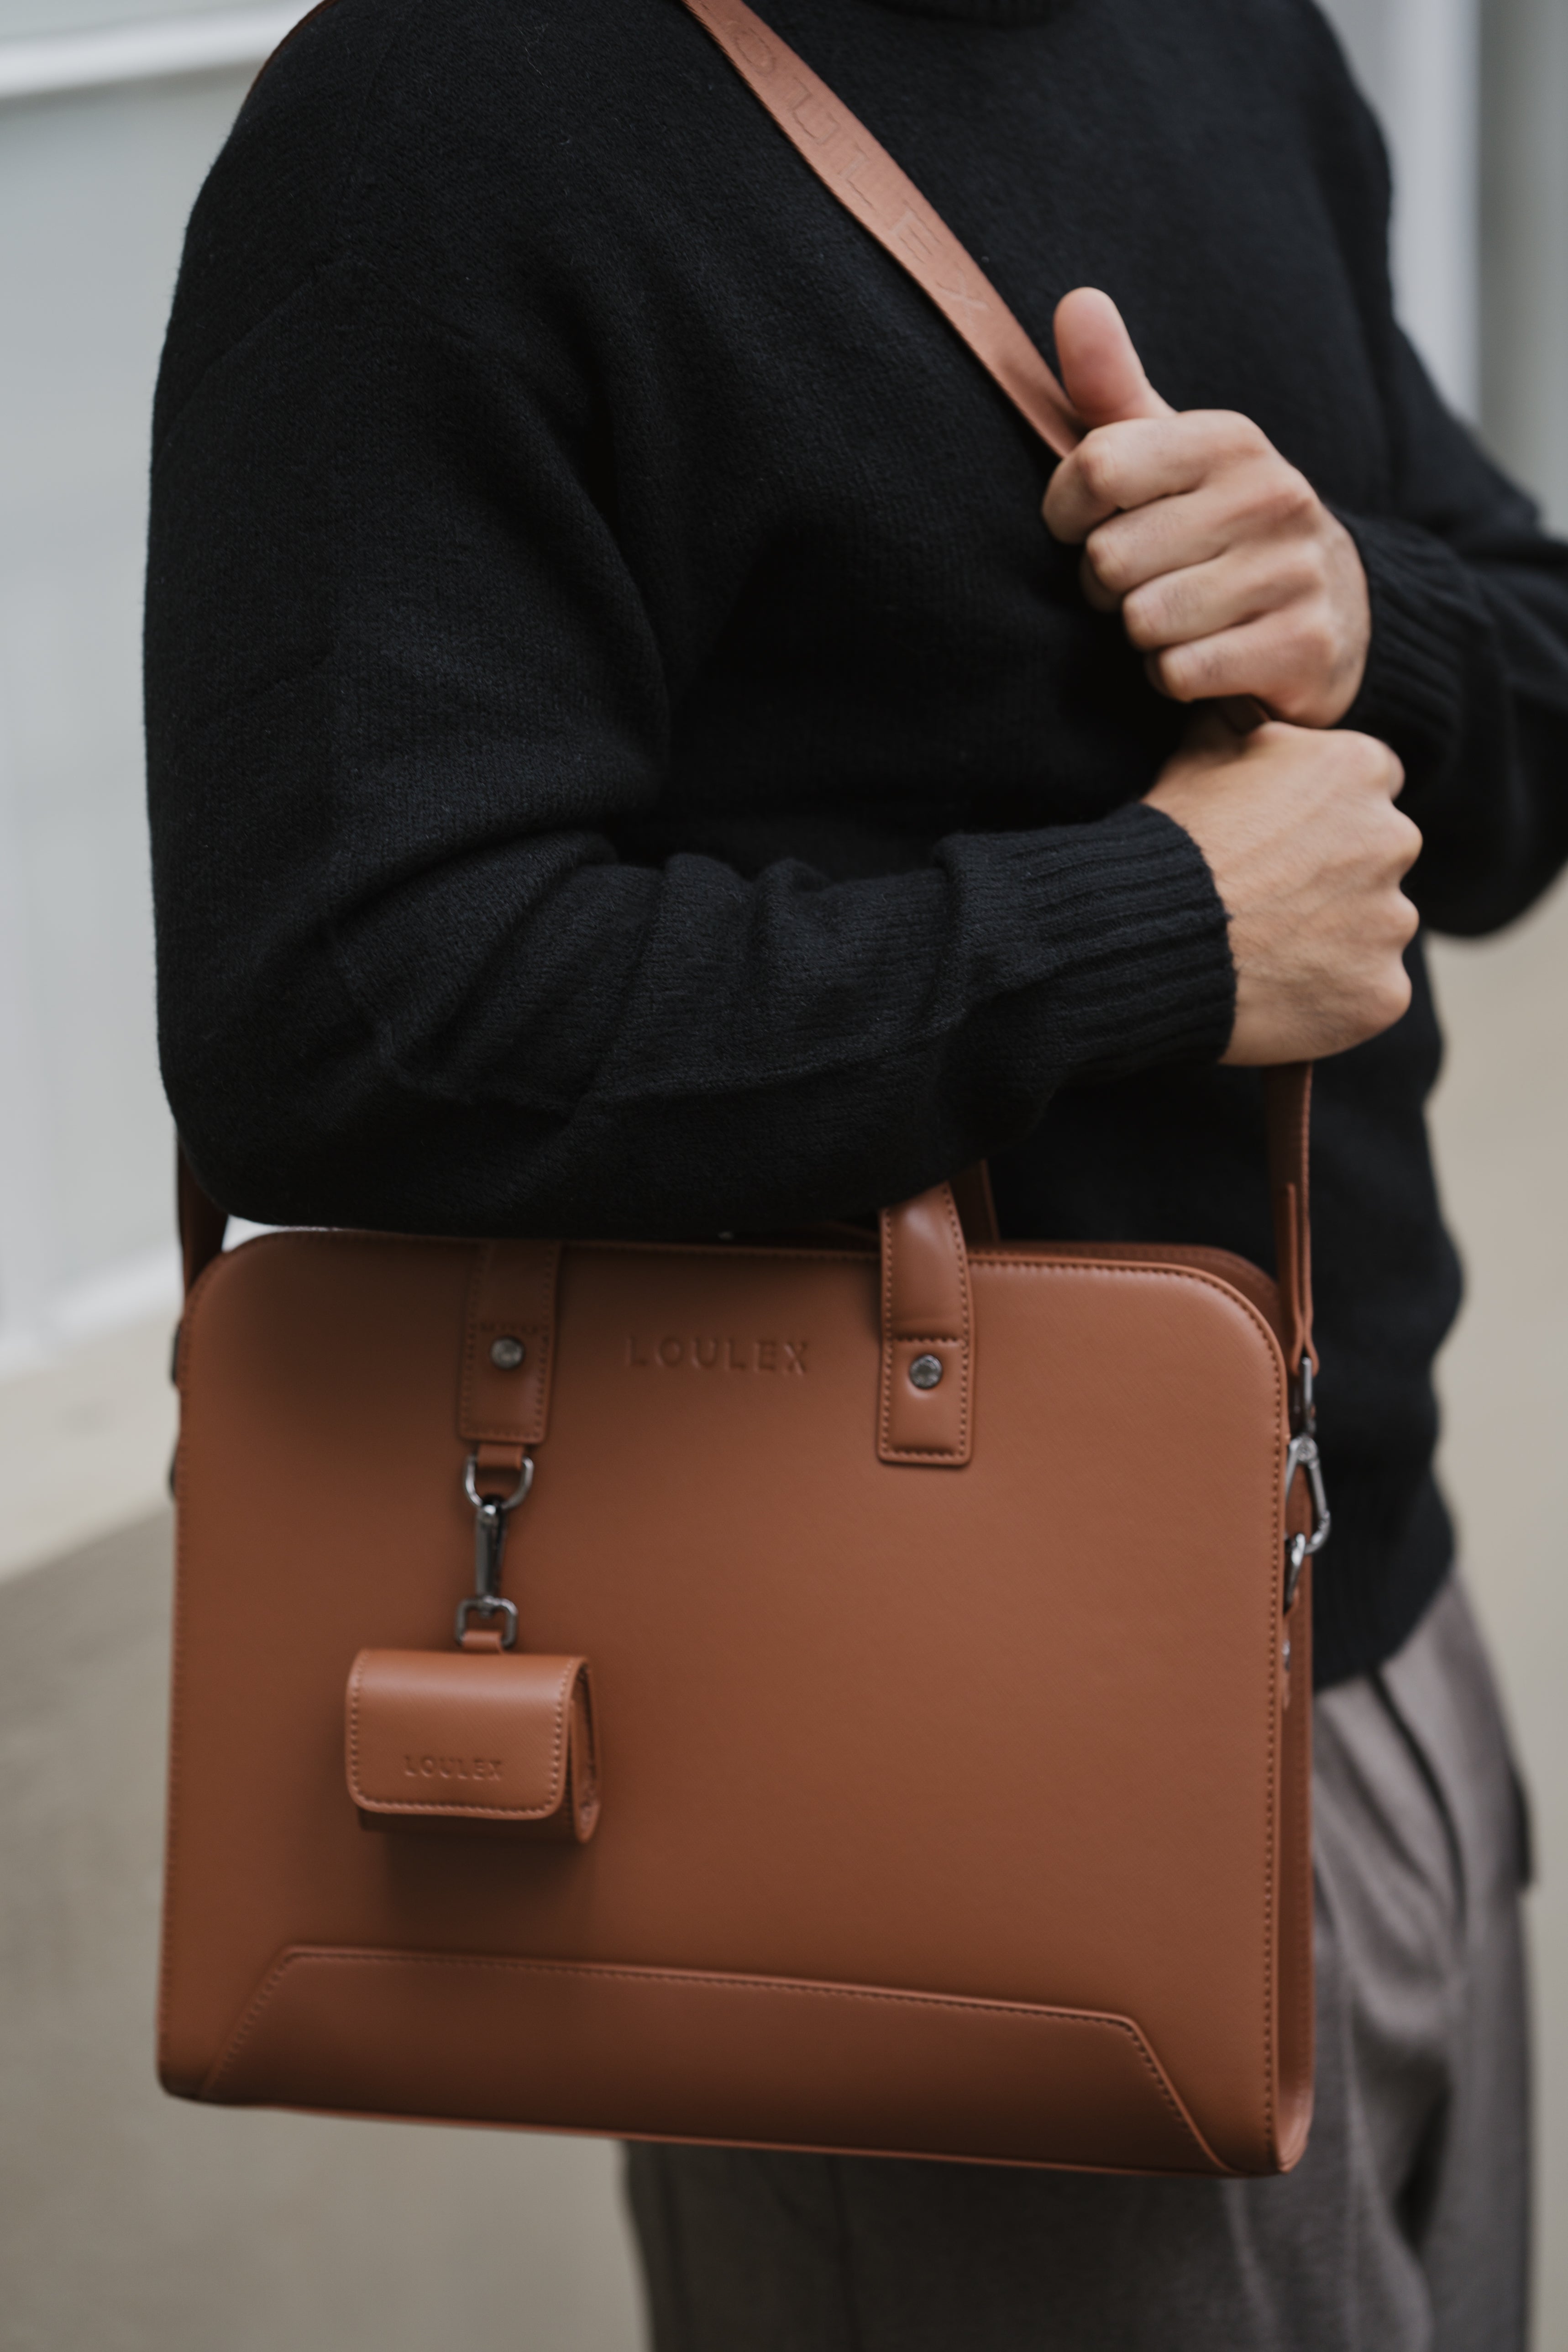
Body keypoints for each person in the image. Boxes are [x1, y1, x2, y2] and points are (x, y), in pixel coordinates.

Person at [143, 0, 1568, 2341]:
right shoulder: (432, 124)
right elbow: (356, 1015)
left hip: (1380, 1632)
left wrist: (1357, 610)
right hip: (913, 1753)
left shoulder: (1227, 39)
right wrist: (1145, 932)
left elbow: (1521, 733)